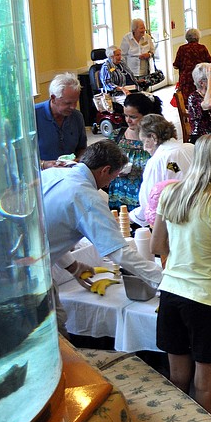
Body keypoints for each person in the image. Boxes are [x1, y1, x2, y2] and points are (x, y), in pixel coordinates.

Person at [151, 135, 211, 417]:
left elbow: (156, 246)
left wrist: (183, 252)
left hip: (171, 294)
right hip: (206, 301)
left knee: (178, 377)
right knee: (206, 385)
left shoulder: (172, 192)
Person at [42, 140, 163, 331]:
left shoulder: (53, 173)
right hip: (29, 273)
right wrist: (165, 280)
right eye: (113, 177)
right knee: (52, 326)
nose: (110, 183)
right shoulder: (86, 197)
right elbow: (119, 252)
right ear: (105, 170)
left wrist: (73, 266)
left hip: (22, 259)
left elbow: (47, 232)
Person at [131, 114, 195, 227]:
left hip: (175, 220)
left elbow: (149, 202)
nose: (144, 148)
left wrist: (132, 216)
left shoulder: (158, 161)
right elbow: (176, 169)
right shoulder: (191, 148)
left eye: (144, 141)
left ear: (153, 137)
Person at [107, 91, 163, 212]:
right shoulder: (117, 136)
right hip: (119, 197)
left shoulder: (156, 140)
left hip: (144, 200)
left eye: (133, 117)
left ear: (147, 116)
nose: (128, 120)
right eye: (126, 116)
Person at [35, 72, 87, 168]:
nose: (73, 107)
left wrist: (79, 159)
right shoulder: (33, 116)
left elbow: (82, 148)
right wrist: (44, 164)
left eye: (75, 102)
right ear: (53, 98)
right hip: (43, 175)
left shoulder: (77, 117)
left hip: (70, 173)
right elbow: (22, 158)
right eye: (68, 103)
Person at [173, 28, 211, 103]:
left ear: (187, 38)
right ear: (198, 38)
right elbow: (210, 63)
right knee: (200, 100)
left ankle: (186, 113)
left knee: (187, 101)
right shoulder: (202, 48)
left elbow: (176, 65)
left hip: (186, 79)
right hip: (200, 79)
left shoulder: (182, 49)